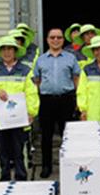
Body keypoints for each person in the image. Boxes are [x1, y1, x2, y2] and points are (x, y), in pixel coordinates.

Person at [0, 36, 40, 181]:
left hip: (20, 120)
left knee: (19, 152)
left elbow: (32, 93)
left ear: (15, 51)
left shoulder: (26, 71)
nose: (7, 52)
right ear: (0, 52)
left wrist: (31, 112)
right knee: (3, 153)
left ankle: (21, 179)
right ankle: (4, 179)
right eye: (4, 49)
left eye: (10, 49)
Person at [34, 28, 81, 178]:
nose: (56, 40)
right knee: (46, 136)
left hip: (66, 100)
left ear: (63, 40)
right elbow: (37, 80)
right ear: (47, 40)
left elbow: (76, 79)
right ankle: (46, 166)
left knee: (67, 135)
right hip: (46, 101)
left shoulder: (71, 58)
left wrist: (77, 99)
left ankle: (70, 165)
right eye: (52, 37)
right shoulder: (41, 60)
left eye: (59, 37)